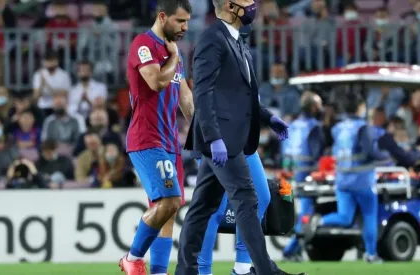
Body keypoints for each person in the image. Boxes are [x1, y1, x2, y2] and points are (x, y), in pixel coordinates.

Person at [177, 0, 306, 274]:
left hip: (234, 136)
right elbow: (202, 92)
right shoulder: (213, 40)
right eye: (246, 0)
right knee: (247, 201)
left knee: (202, 208)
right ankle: (262, 270)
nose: (252, 5)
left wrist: (269, 117)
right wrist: (213, 137)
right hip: (221, 139)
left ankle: (187, 271)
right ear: (228, 6)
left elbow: (243, 97)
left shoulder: (237, 42)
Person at [119, 1, 195, 274]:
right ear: (162, 17)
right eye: (180, 21)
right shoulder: (144, 44)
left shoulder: (176, 54)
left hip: (170, 142)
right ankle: (132, 258)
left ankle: (159, 271)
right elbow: (155, 81)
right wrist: (173, 58)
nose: (185, 27)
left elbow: (185, 98)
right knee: (170, 200)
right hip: (146, 138)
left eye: (187, 22)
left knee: (169, 210)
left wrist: (202, 133)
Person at [305, 92, 386, 263]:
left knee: (345, 217)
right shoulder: (363, 128)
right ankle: (371, 255)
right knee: (369, 216)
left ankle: (320, 220)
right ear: (360, 108)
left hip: (342, 182)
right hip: (363, 181)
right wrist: (385, 156)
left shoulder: (338, 128)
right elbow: (369, 151)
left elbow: (325, 143)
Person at [282, 92, 325, 261]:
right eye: (319, 105)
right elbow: (316, 154)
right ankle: (290, 249)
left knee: (299, 213)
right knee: (307, 213)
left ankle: (296, 249)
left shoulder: (291, 125)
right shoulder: (314, 127)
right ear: (314, 107)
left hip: (288, 176)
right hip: (306, 177)